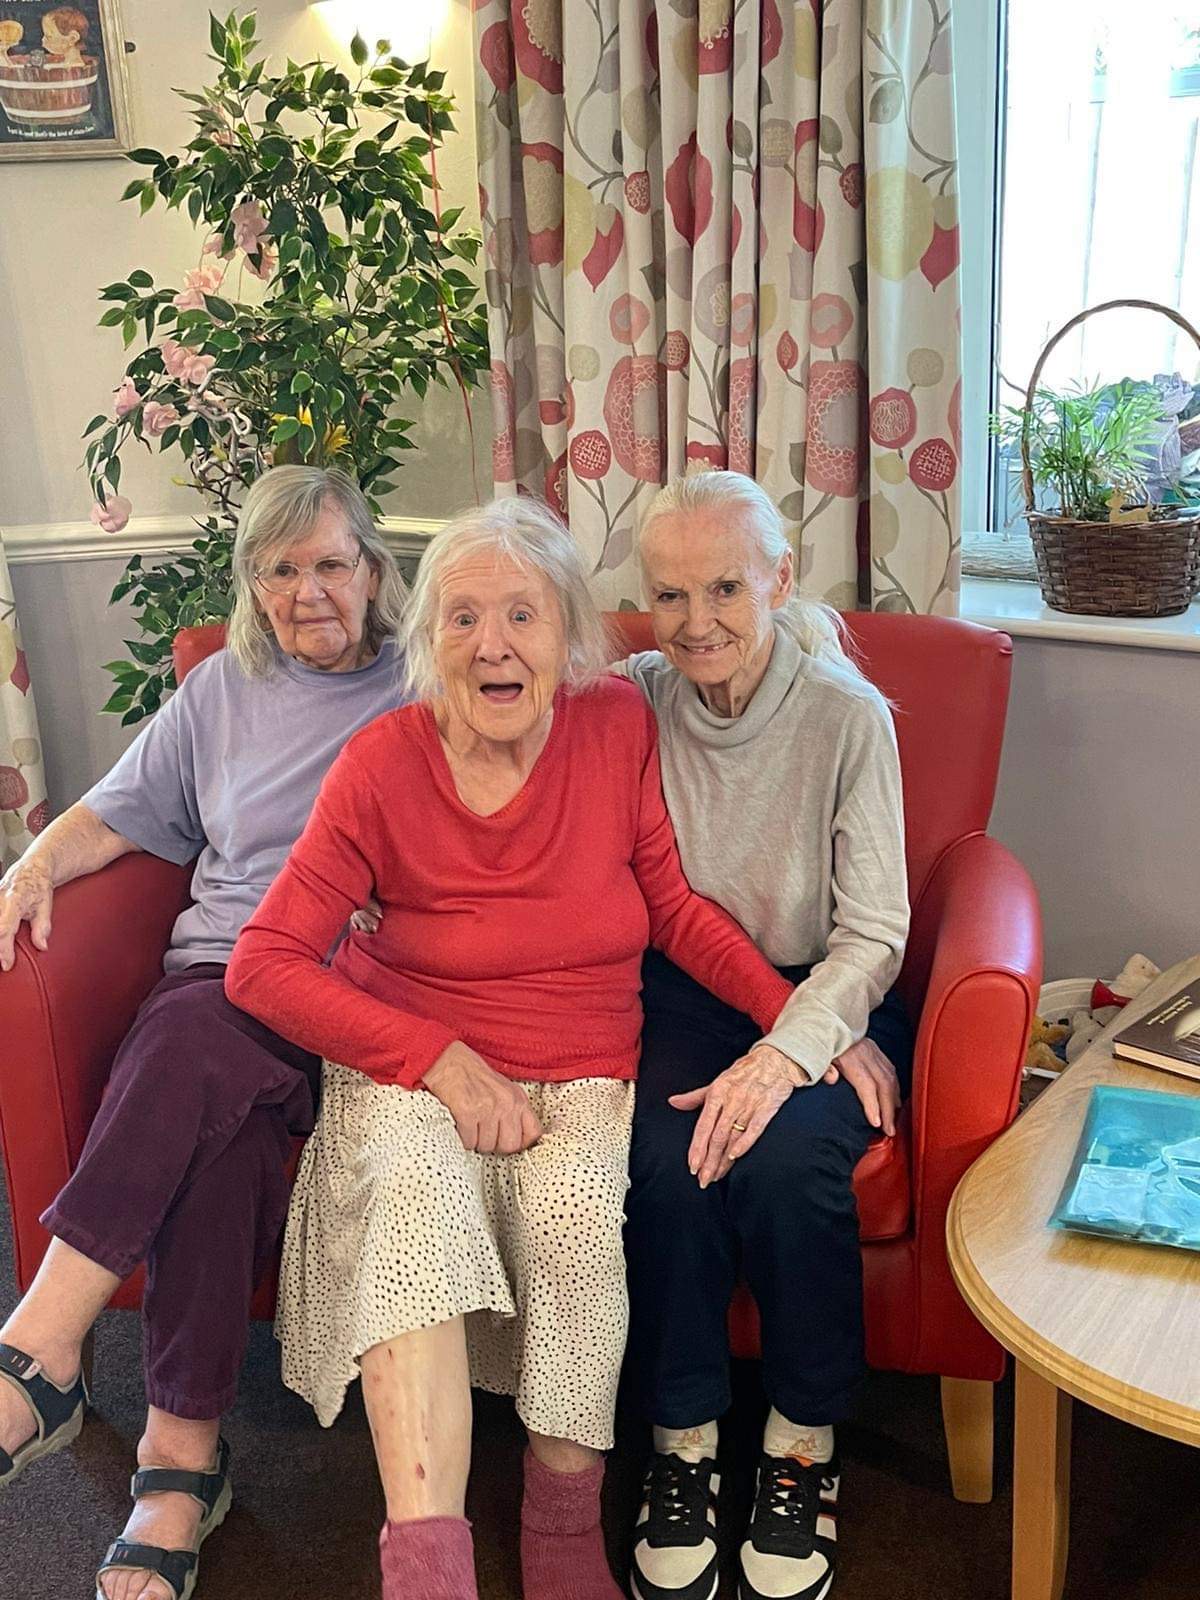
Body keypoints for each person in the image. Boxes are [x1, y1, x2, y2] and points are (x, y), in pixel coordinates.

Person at [223, 497, 800, 1600]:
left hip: (579, 1065)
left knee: (577, 1221)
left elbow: (672, 907)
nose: (493, 645)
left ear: (570, 635)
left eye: (523, 616)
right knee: (412, 1198)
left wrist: (801, 1025)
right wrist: (436, 1058)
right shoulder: (379, 764)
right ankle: (428, 1566)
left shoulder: (614, 726)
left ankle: (562, 1525)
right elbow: (264, 964)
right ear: (427, 641)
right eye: (463, 618)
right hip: (412, 1064)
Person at [0, 465, 408, 1600]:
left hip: (349, 991)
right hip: (223, 973)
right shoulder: (224, 688)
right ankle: (176, 1460)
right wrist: (29, 868)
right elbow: (115, 810)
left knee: (188, 1056)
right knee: (212, 1121)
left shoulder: (429, 679)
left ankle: (42, 1352)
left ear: (374, 570)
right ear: (253, 585)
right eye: (280, 570)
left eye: (330, 564)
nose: (308, 592)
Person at [620, 471, 913, 1600]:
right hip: (686, 990)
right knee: (666, 1159)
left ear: (780, 580)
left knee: (788, 1163)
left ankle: (800, 1441)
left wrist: (800, 1042)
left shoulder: (847, 716)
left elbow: (875, 930)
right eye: (670, 594)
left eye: (726, 588)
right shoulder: (634, 699)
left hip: (826, 985)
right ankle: (683, 1439)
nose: (697, 622)